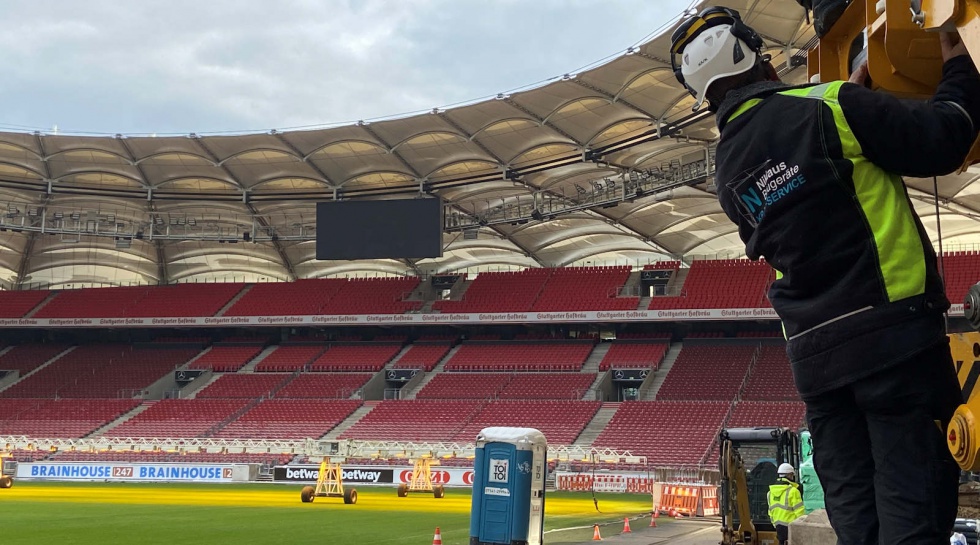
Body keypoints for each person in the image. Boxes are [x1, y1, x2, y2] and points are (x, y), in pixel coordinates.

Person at [669, 7, 980, 545]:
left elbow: (800, 175)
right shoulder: (831, 108)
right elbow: (945, 137)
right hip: (895, 342)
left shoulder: (727, 171)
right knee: (914, 505)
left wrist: (847, 101)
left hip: (819, 366)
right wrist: (959, 68)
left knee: (856, 518)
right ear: (756, 60)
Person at [768, 463, 805, 545]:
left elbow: (770, 512)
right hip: (791, 527)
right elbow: (800, 513)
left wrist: (776, 525)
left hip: (778, 528)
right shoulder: (793, 491)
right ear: (789, 475)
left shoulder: (770, 493)